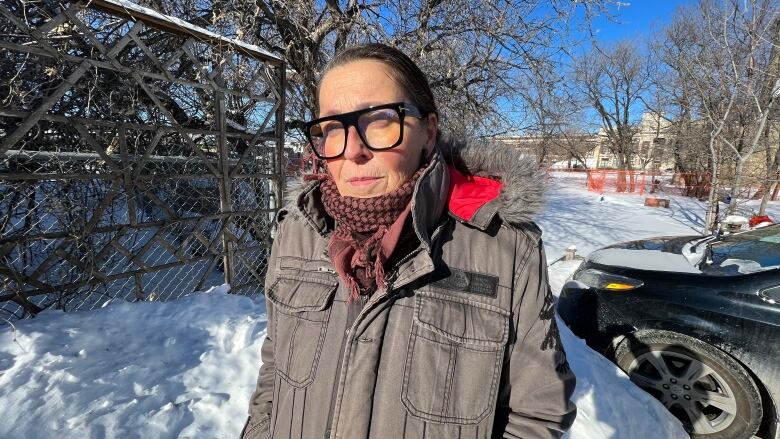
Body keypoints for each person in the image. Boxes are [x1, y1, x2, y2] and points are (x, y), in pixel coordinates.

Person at [241, 43, 576, 439]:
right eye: (332, 128)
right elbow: (275, 372)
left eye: (380, 120)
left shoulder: (505, 248)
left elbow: (538, 412)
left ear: (428, 131)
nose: (353, 150)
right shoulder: (297, 232)